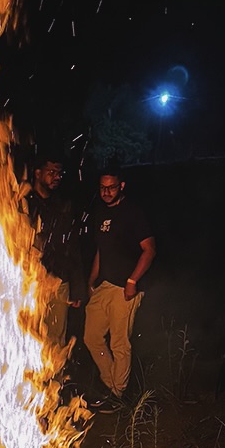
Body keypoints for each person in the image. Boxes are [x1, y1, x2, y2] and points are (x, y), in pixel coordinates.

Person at [81, 163, 156, 411]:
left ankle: (117, 394)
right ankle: (111, 384)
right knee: (91, 337)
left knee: (119, 343)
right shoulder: (100, 212)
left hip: (125, 287)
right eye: (102, 188)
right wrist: (92, 280)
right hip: (104, 285)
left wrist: (132, 281)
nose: (106, 192)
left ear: (121, 186)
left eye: (112, 187)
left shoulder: (133, 212)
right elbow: (101, 250)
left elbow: (149, 250)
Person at [22, 153, 86, 350]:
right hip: (30, 282)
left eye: (59, 173)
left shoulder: (63, 205)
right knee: (28, 333)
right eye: (51, 172)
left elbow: (72, 246)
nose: (57, 177)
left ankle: (56, 370)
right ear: (38, 173)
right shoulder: (24, 202)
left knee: (56, 338)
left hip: (59, 281)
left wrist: (77, 286)